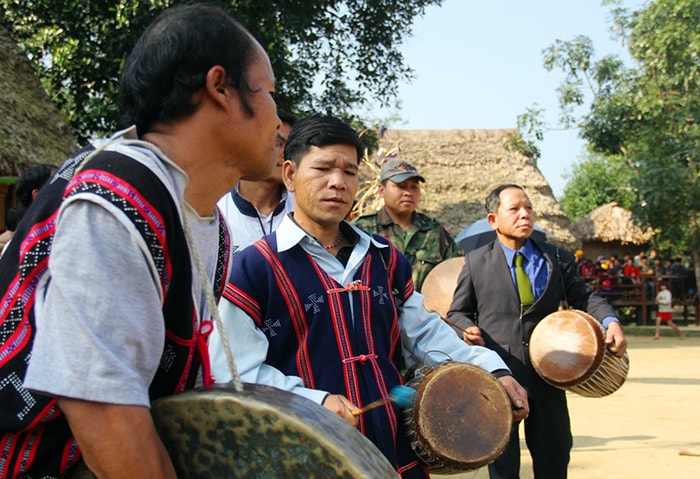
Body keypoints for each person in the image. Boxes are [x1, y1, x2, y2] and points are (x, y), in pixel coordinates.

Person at [0, 4, 280, 478]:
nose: (278, 117)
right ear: (220, 88)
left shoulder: (205, 218)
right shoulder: (114, 196)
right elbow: (105, 415)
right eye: (270, 92)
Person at [209, 115, 529, 479]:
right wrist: (315, 401)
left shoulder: (386, 258)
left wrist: (492, 369)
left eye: (349, 171)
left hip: (392, 450)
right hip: (306, 456)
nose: (337, 182)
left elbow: (425, 335)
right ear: (289, 175)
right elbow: (231, 370)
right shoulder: (253, 269)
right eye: (323, 168)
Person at [446, 184, 627, 479]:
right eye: (514, 209)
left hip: (550, 377)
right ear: (493, 220)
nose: (525, 215)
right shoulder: (476, 261)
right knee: (503, 466)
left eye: (529, 208)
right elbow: (457, 312)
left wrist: (611, 321)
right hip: (500, 377)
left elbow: (584, 297)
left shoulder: (557, 258)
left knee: (554, 457)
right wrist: (467, 328)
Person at [352, 157, 462, 292]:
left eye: (414, 187)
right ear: (381, 190)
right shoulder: (361, 229)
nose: (408, 193)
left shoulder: (433, 231)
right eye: (401, 186)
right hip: (377, 311)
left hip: (423, 311)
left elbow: (456, 273)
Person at [218, 109, 298, 258]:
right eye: (278, 143)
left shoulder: (303, 209)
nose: (286, 154)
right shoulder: (217, 212)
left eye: (292, 147)